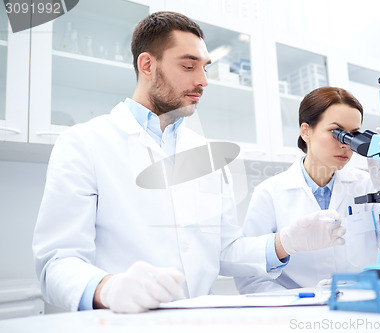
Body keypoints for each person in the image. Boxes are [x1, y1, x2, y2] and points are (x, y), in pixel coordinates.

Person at [32, 12, 346, 314]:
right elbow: (56, 263)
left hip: (196, 319)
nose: (203, 81)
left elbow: (223, 251)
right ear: (147, 65)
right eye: (188, 66)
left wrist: (283, 243)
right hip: (119, 322)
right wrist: (108, 288)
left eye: (205, 67)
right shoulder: (84, 143)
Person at [234, 87, 380, 294]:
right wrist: (303, 301)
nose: (346, 145)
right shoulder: (269, 192)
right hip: (298, 313)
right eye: (337, 133)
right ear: (306, 131)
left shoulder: (368, 184)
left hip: (360, 303)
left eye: (354, 135)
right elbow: (249, 277)